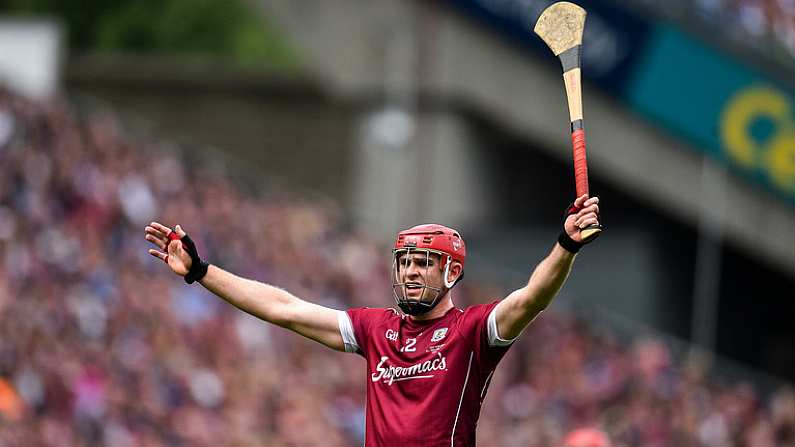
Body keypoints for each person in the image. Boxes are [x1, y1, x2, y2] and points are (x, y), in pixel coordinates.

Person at [144, 194, 601, 446]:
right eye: (405, 262)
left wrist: (565, 245)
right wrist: (203, 272)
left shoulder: (472, 333)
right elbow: (283, 308)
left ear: (451, 272)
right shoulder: (375, 329)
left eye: (423, 262)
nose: (410, 272)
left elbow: (532, 298)